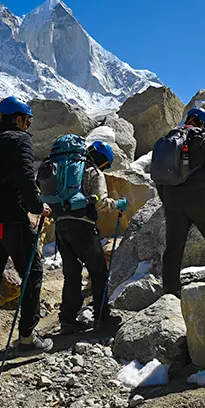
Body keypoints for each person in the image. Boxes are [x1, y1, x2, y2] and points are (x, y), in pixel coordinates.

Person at [0, 96, 54, 371]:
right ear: (18, 119)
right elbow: (25, 179)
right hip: (12, 221)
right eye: (27, 120)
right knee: (33, 272)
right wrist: (36, 207)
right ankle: (27, 338)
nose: (28, 125)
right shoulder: (19, 141)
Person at [158, 108, 205, 296]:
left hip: (173, 202)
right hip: (199, 201)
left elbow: (158, 175)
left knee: (173, 248)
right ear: (202, 123)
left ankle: (169, 292)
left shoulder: (168, 140)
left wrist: (167, 200)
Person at [53, 140, 128, 333]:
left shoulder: (65, 169)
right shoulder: (94, 172)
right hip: (82, 226)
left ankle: (68, 319)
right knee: (98, 270)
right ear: (102, 159)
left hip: (60, 225)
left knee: (71, 273)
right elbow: (100, 204)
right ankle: (102, 317)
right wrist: (117, 205)